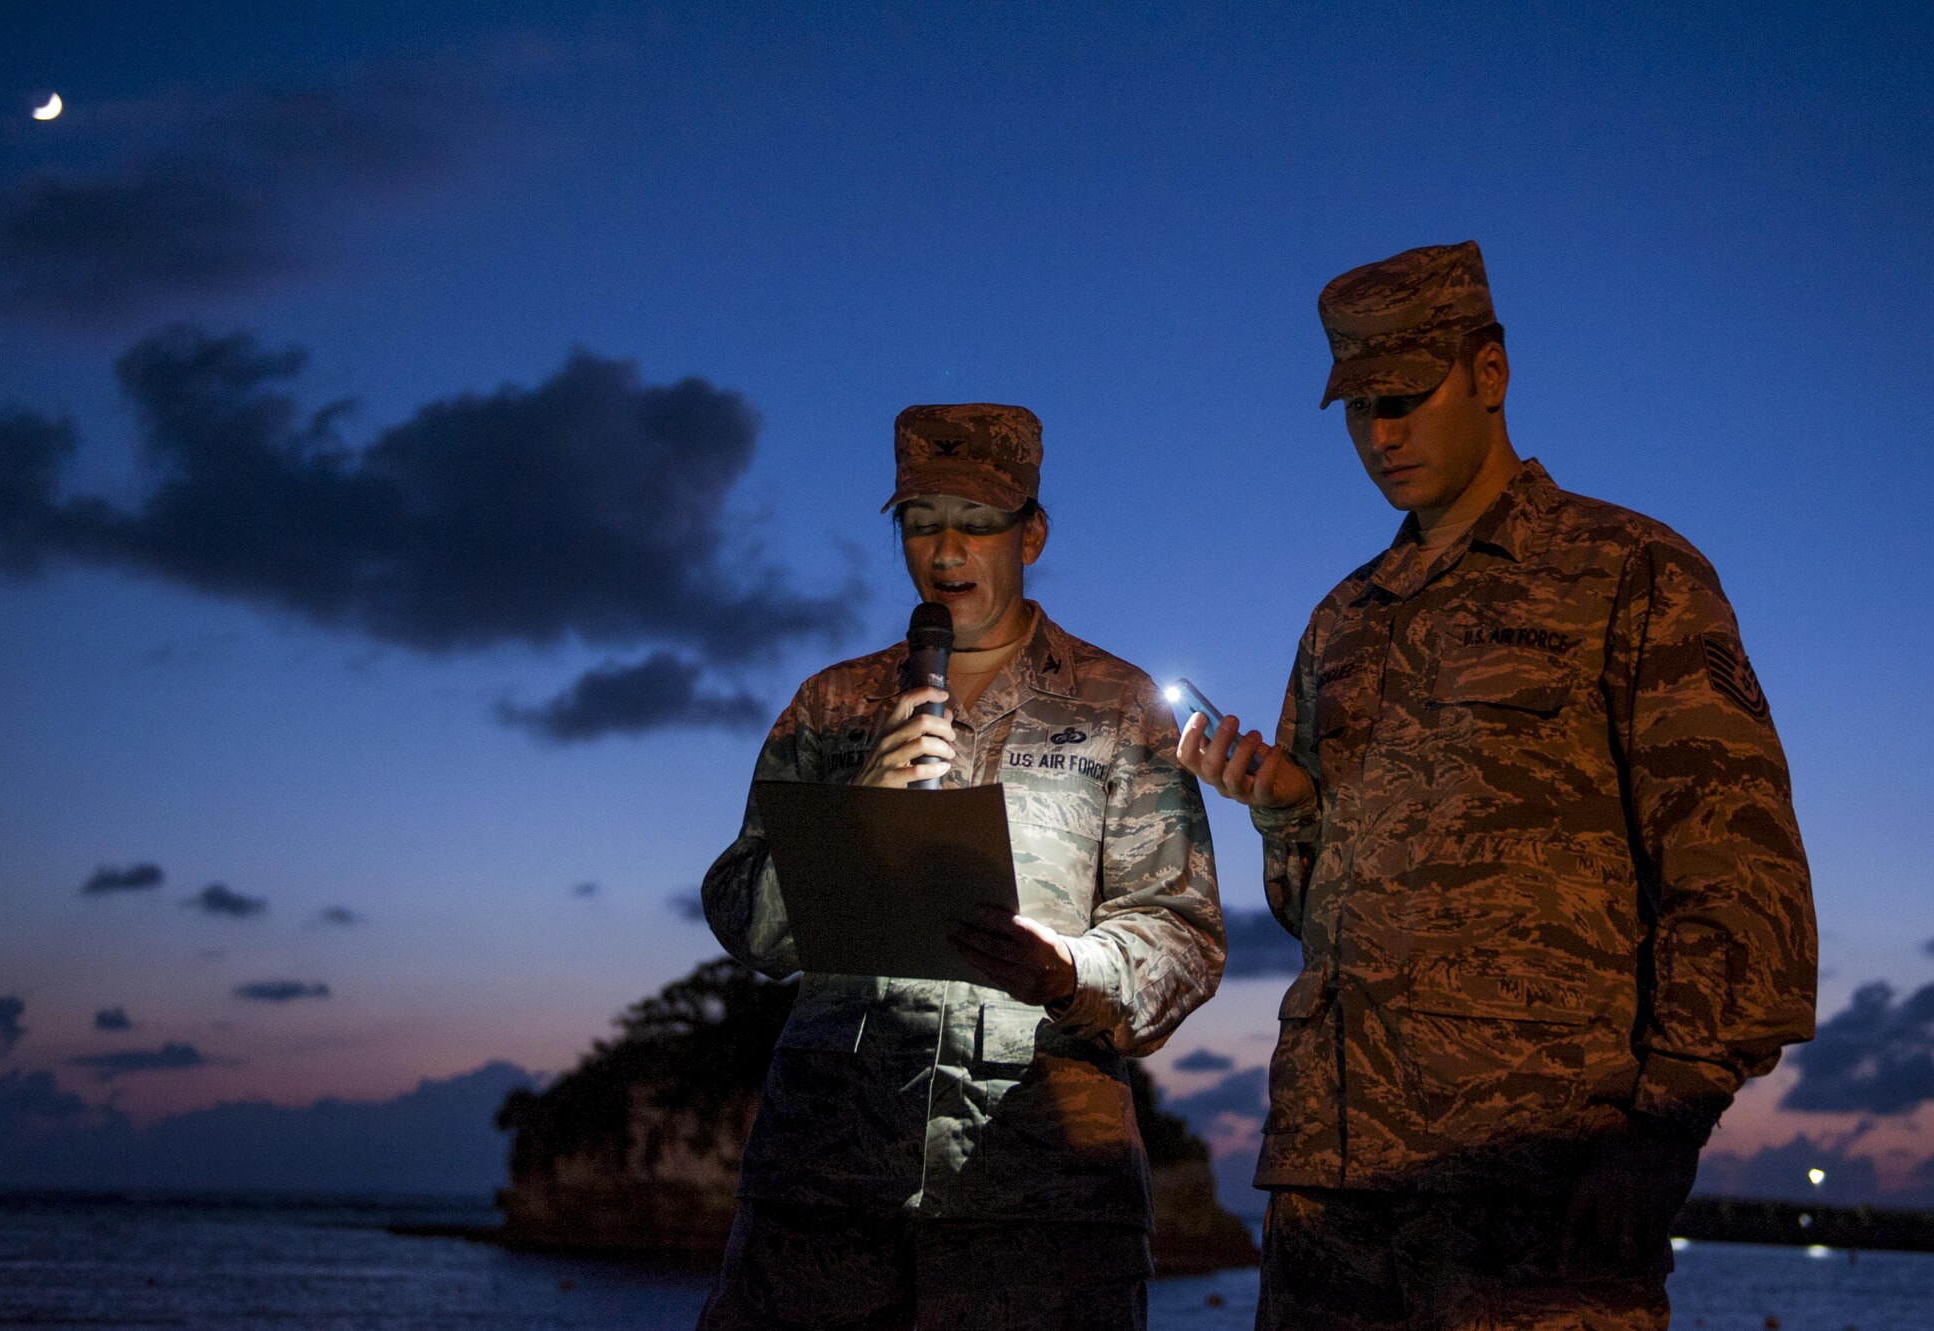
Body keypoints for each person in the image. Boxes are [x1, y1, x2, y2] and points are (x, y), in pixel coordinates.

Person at [1178, 241, 1817, 1330]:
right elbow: (1311, 911)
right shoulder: (1343, 621)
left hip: (1538, 1189)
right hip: (1333, 1192)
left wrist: (1663, 1125)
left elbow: (1734, 864)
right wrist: (1285, 808)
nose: (1380, 434)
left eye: (1405, 397)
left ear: (1489, 372)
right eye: (1357, 407)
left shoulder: (1630, 572)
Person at [699, 403, 1225, 1331]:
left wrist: (1069, 968)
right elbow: (745, 916)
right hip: (822, 1205)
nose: (946, 551)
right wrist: (859, 803)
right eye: (920, 522)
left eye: (977, 523)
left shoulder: (1118, 707)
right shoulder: (832, 704)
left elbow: (1182, 936)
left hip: (1039, 1208)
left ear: (1032, 533)